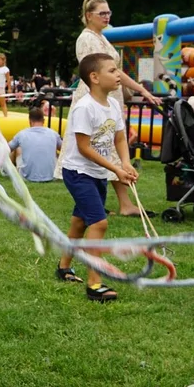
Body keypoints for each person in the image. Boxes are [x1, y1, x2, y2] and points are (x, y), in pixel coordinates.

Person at [55, 0, 160, 217]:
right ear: (88, 16)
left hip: (107, 98)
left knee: (108, 145)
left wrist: (140, 90)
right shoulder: (87, 39)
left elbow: (114, 72)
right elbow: (102, 72)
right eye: (102, 13)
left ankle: (121, 202)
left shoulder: (102, 38)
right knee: (94, 147)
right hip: (94, 99)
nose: (107, 16)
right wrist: (140, 90)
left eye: (109, 12)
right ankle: (99, 199)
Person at [54, 53, 137, 302]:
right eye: (112, 70)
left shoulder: (112, 105)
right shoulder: (84, 107)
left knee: (80, 222)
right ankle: (94, 283)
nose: (118, 74)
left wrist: (125, 162)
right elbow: (84, 148)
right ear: (95, 77)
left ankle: (63, 267)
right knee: (99, 223)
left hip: (97, 173)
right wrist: (116, 170)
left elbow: (120, 138)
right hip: (79, 173)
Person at [9, 108, 63, 183]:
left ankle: (7, 170)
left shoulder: (22, 134)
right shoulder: (53, 133)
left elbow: (7, 149)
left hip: (27, 177)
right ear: (43, 121)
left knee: (17, 148)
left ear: (30, 121)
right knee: (56, 153)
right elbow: (64, 150)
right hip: (52, 176)